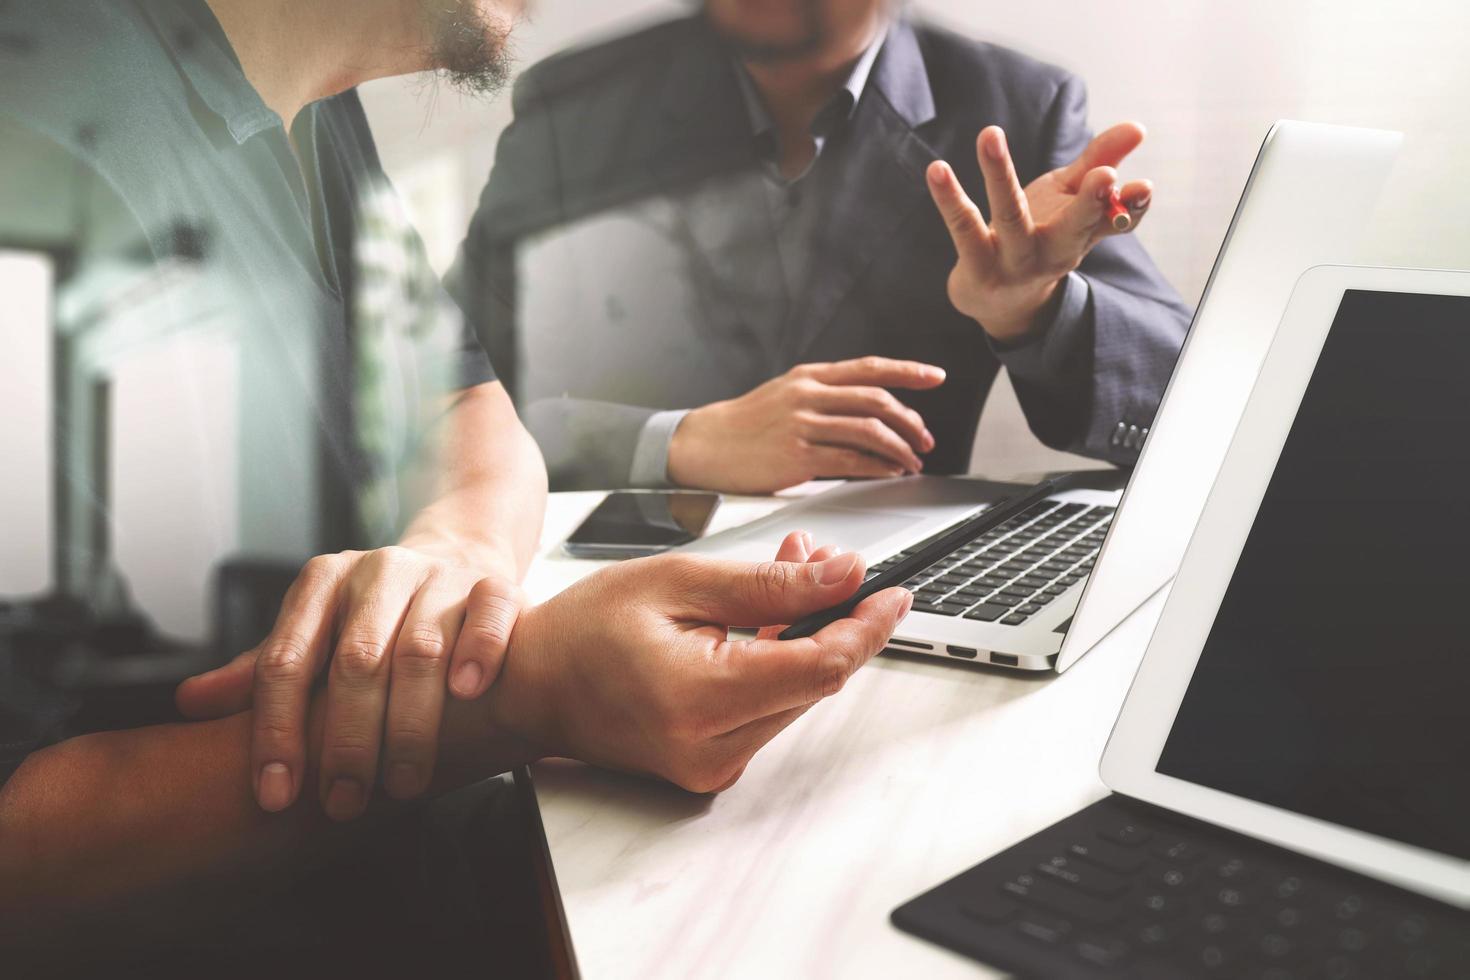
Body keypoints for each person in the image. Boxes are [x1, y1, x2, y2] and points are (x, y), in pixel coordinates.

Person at [0, 0, 910, 951]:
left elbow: (464, 407)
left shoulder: (315, 101)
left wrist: (452, 564)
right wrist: (520, 695)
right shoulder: (35, 127)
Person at [449, 0, 1193, 492]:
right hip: (604, 590)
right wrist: (677, 443)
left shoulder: (1016, 107)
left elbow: (1193, 401)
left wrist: (1037, 310)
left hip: (896, 613)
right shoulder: (576, 106)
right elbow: (438, 399)